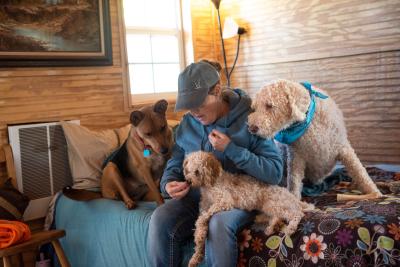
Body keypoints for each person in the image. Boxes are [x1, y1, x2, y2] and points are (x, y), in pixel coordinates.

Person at [147, 61, 283, 267]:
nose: (194, 111)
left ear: (217, 91)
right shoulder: (187, 124)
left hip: (237, 198)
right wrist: (168, 183)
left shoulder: (251, 118)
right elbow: (175, 161)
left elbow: (275, 173)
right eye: (189, 106)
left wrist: (231, 149)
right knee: (160, 218)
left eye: (199, 103)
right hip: (197, 199)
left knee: (218, 223)